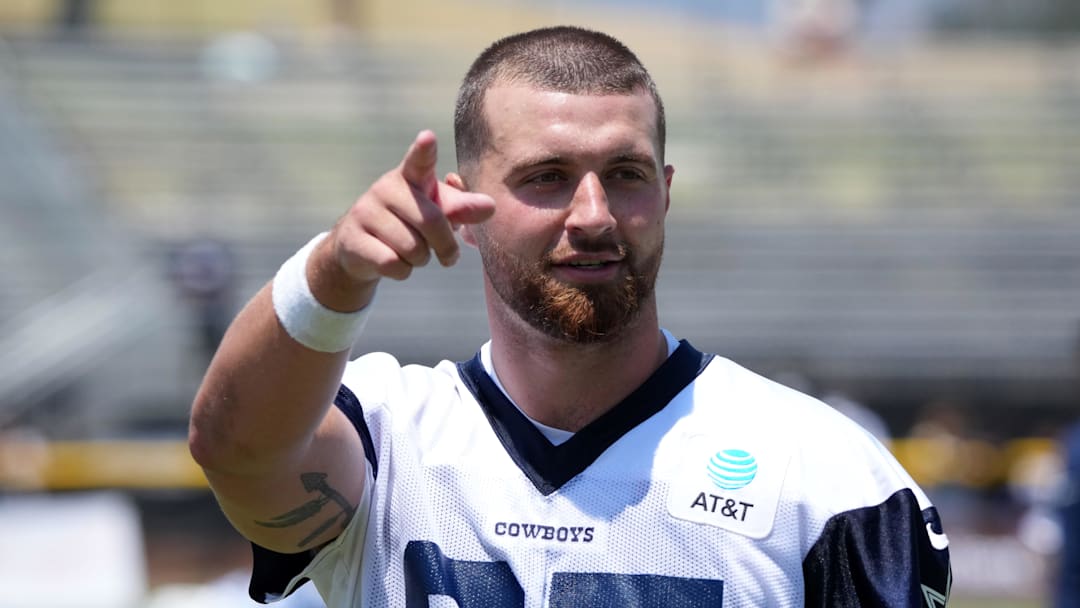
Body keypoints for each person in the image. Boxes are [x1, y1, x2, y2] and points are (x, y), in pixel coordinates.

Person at [188, 26, 951, 607]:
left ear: (667, 190)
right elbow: (234, 450)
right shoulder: (388, 438)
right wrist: (332, 276)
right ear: (465, 203)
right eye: (546, 178)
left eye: (625, 174)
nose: (594, 215)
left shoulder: (827, 480)